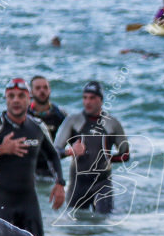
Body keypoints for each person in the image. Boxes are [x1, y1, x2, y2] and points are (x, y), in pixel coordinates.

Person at [0, 78, 66, 236]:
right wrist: (1, 149)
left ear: (29, 99)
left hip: (29, 202)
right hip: (2, 202)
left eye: (21, 96)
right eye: (11, 96)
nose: (16, 100)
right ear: (6, 99)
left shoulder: (37, 127)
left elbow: (53, 154)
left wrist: (60, 183)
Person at [53, 81, 130, 215]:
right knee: (75, 224)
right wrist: (70, 152)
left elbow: (126, 155)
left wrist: (107, 157)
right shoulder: (73, 121)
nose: (87, 102)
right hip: (78, 183)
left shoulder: (113, 123)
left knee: (103, 223)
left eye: (92, 98)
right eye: (85, 97)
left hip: (103, 182)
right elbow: (54, 152)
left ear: (100, 100)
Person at [27, 75, 67, 140]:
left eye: (45, 87)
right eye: (38, 88)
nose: (42, 91)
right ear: (31, 92)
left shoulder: (60, 115)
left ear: (50, 90)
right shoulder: (25, 115)